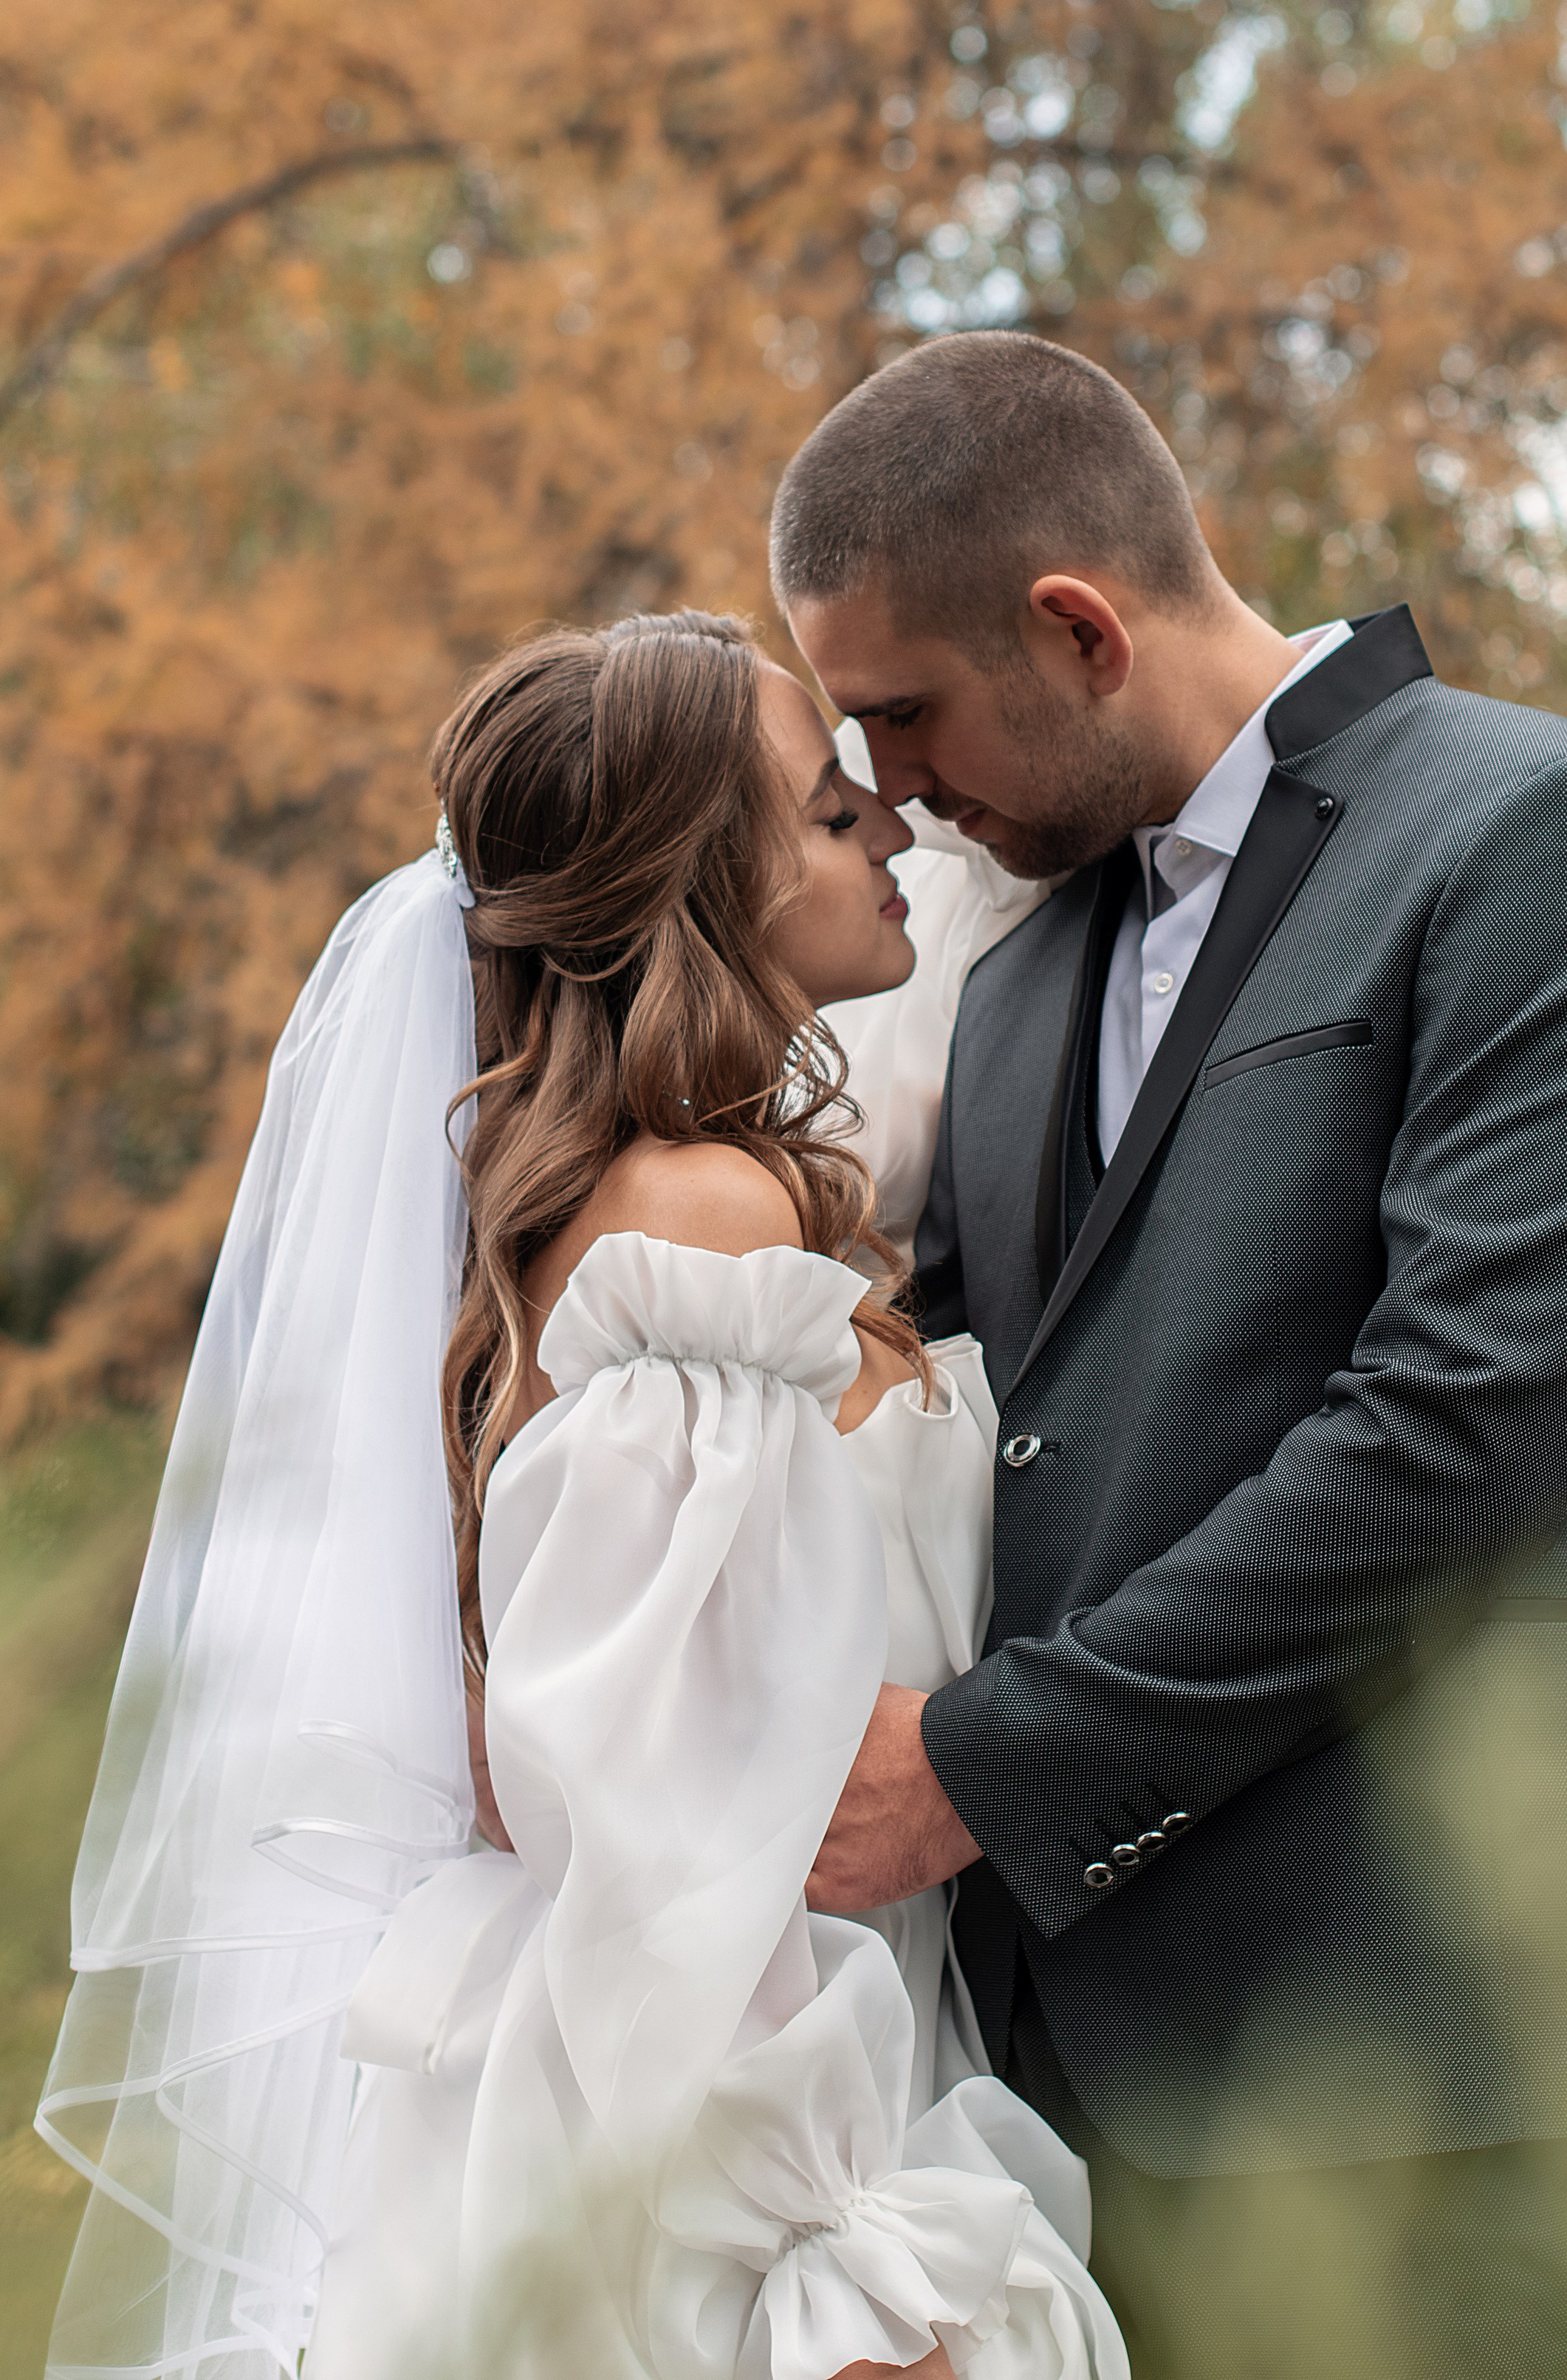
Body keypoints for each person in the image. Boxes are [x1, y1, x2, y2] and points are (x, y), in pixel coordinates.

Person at [772, 329, 1567, 2380]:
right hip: (1056, 2116)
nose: (902, 801)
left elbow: (1462, 1443)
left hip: (1429, 2099)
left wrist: (976, 1774)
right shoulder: (1023, 983)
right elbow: (965, 1433)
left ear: (1075, 627)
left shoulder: (1542, 840)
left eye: (907, 719)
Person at [37, 613, 1126, 2380]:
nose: (891, 831)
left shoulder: (673, 1212)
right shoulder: (700, 1228)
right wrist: (837, 2260)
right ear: (699, 881)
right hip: (720, 2179)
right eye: (825, 811)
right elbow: (669, 1845)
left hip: (783, 2073)